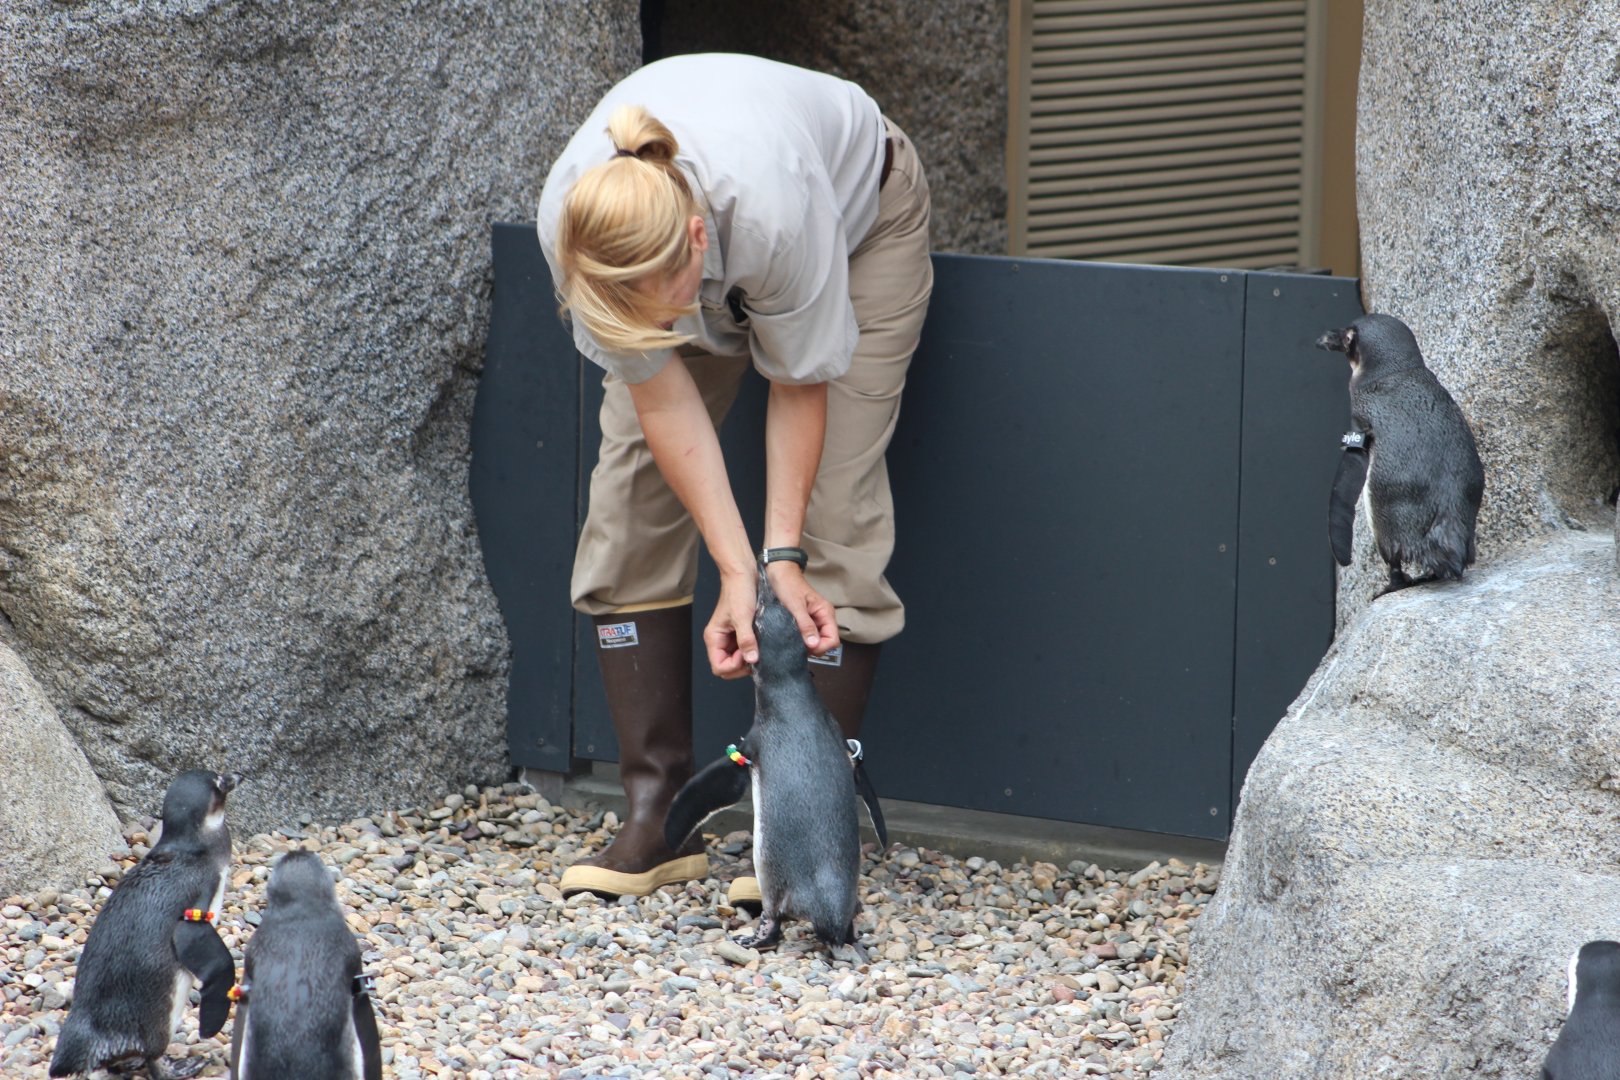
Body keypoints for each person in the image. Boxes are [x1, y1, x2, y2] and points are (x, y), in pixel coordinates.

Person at [535, 52, 932, 900]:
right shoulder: (580, 231)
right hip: (693, 245)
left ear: (696, 243)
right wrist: (733, 567)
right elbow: (665, 405)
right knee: (629, 505)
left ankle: (798, 832)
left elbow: (799, 386)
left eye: (663, 307)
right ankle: (657, 815)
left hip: (859, 226)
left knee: (836, 515)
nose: (660, 331)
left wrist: (777, 557)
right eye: (632, 316)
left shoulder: (775, 209)